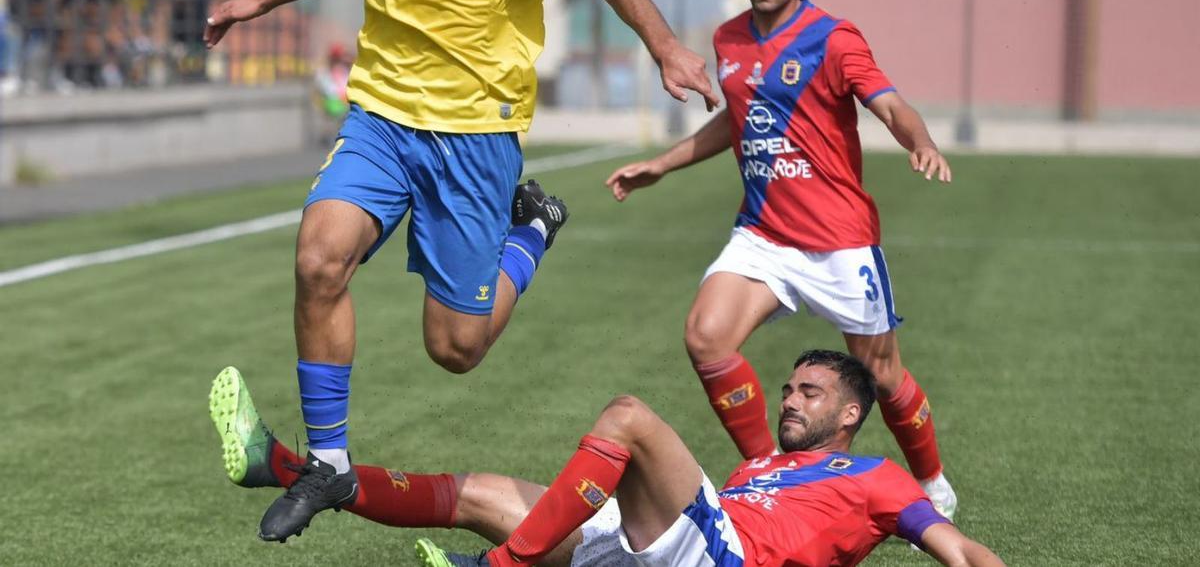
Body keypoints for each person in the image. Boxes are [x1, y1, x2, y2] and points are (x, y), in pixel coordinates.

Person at [203, 0, 718, 543]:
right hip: (380, 118)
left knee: (455, 347)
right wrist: (262, 0)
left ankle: (530, 229)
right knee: (319, 257)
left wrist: (666, 45)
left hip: (475, 136)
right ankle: (327, 461)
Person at [604, 0, 958, 516]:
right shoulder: (729, 38)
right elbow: (737, 120)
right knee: (705, 336)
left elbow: (891, 105)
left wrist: (920, 141)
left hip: (840, 240)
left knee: (882, 375)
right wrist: (663, 163)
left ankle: (931, 481)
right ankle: (774, 471)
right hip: (764, 235)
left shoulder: (833, 38)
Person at [208, 354, 1002, 567]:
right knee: (475, 491)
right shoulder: (762, 467)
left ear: (851, 415)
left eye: (811, 393)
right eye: (789, 387)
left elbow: (956, 547)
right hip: (671, 547)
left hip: (723, 555)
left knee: (628, 416)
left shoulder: (875, 478)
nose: (790, 399)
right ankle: (278, 464)